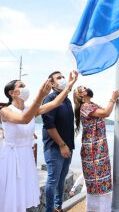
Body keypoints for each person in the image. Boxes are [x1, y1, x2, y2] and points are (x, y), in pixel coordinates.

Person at [0, 71, 77, 212]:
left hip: (26, 156)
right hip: (12, 157)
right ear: (12, 92)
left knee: (22, 194)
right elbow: (23, 119)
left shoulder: (30, 109)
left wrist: (70, 85)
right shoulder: (5, 111)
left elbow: (55, 102)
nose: (25, 88)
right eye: (21, 86)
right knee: (11, 194)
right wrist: (40, 95)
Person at [73, 86, 119, 212]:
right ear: (81, 95)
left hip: (97, 148)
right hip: (94, 150)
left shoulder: (91, 104)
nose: (87, 88)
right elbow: (105, 113)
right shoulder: (86, 107)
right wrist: (113, 98)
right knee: (98, 181)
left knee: (99, 181)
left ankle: (99, 209)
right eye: (83, 89)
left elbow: (104, 111)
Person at [41, 71, 78, 212]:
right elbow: (49, 125)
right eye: (59, 78)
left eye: (63, 77)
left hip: (68, 147)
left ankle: (58, 207)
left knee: (61, 179)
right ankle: (49, 209)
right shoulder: (50, 99)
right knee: (53, 180)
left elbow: (67, 91)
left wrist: (71, 82)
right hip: (55, 148)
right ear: (51, 83)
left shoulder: (66, 99)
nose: (62, 79)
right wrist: (62, 145)